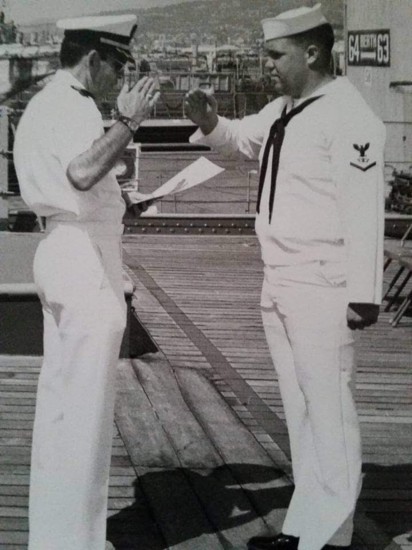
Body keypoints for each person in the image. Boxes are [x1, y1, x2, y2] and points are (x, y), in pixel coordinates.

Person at [185, 4, 385, 550]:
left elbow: (365, 206)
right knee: (301, 412)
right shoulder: (284, 110)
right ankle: (306, 526)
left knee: (329, 413)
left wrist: (364, 295)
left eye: (276, 54)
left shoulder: (350, 117)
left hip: (324, 284)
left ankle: (330, 535)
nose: (268, 64)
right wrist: (208, 120)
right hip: (280, 281)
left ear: (313, 51)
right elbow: (241, 139)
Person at [13, 14, 159, 550]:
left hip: (63, 246)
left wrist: (122, 204)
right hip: (84, 261)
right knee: (85, 416)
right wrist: (128, 122)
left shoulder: (47, 102)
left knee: (62, 409)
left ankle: (56, 538)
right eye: (118, 65)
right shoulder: (73, 105)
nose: (121, 77)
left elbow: (77, 183)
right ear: (93, 58)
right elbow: (80, 172)